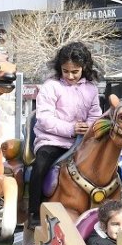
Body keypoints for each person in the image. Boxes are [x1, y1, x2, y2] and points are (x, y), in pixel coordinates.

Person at [28, 42, 103, 228]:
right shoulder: (50, 86)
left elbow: (95, 115)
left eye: (75, 72)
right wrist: (71, 128)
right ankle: (33, 212)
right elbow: (44, 118)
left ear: (84, 68)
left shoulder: (91, 89)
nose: (70, 76)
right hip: (52, 140)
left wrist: (89, 126)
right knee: (40, 165)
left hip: (82, 143)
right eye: (66, 71)